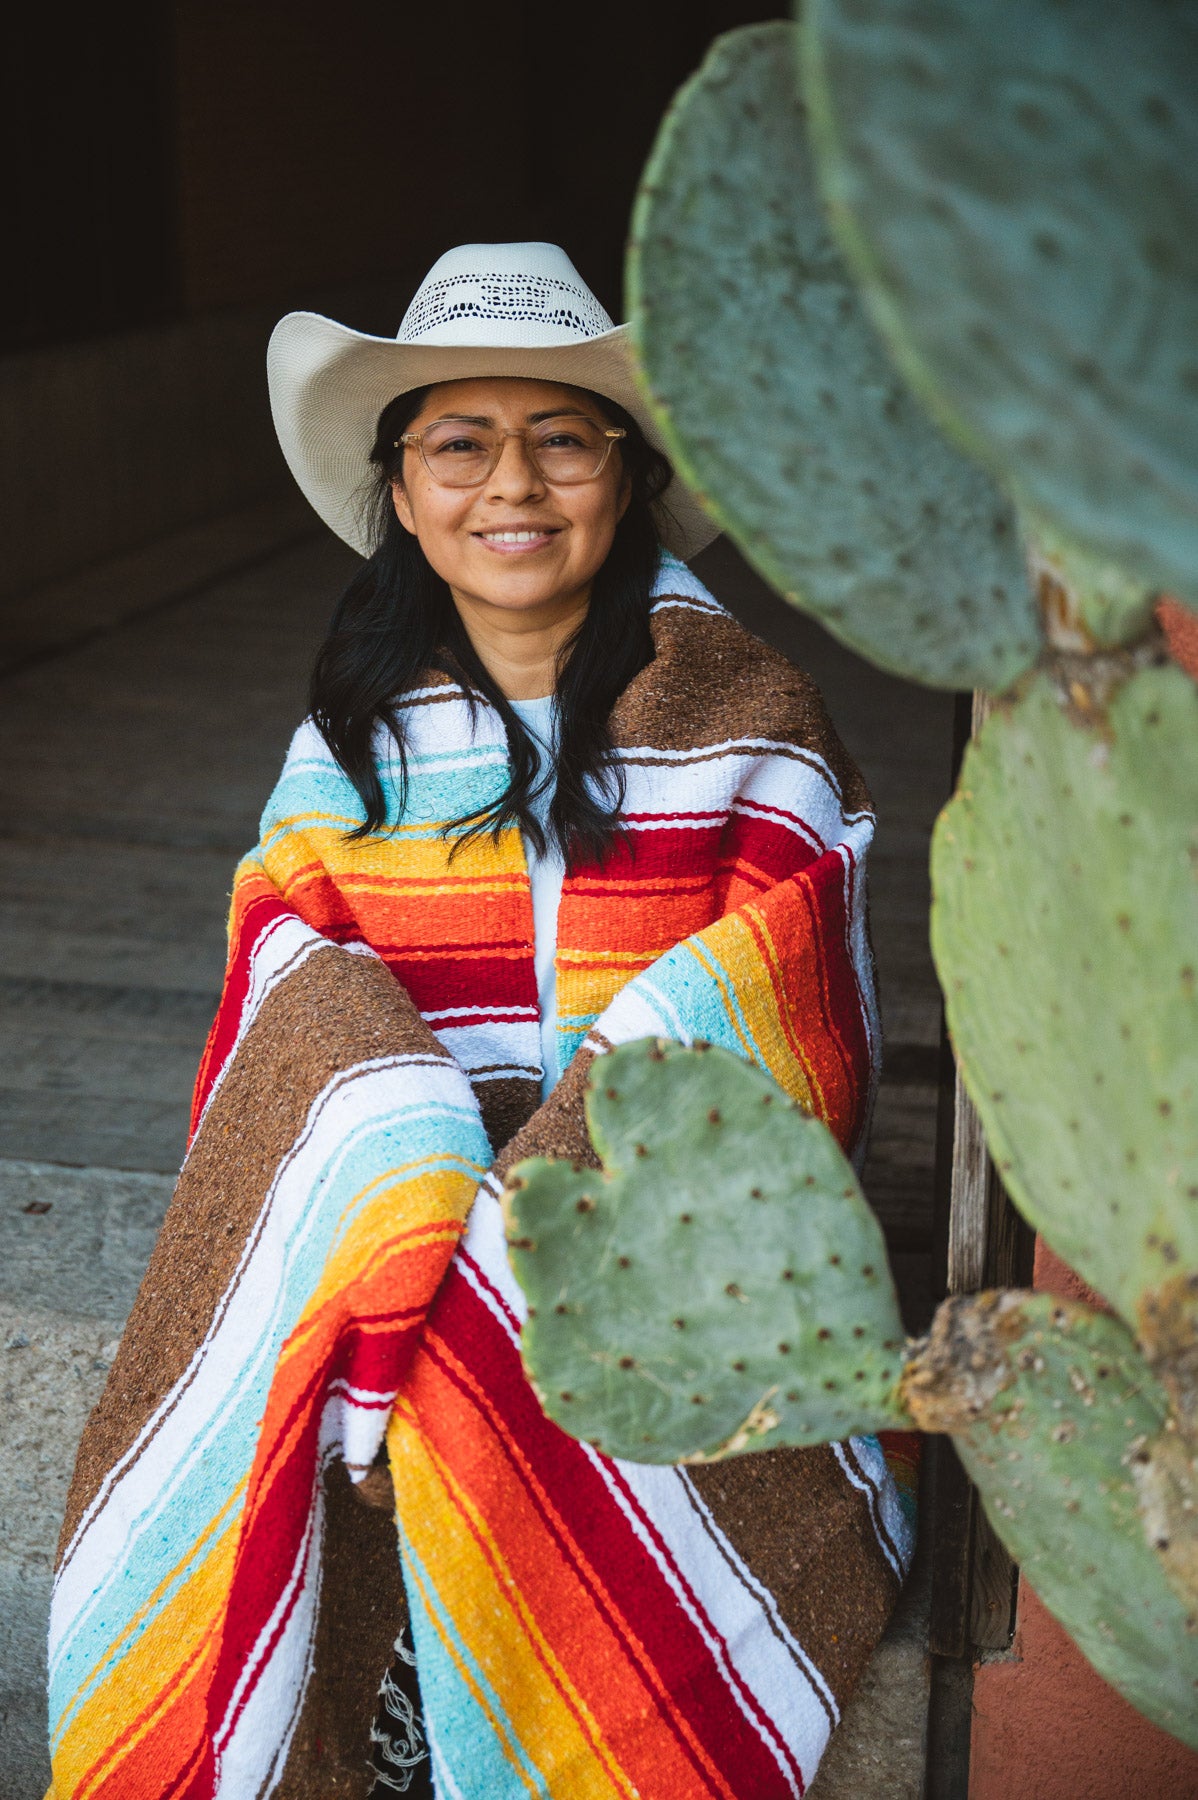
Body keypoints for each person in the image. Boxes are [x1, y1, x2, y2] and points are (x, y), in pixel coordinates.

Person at [48, 244, 916, 1800]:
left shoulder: (748, 725)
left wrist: (513, 1264)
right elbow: (291, 1031)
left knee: (466, 1381)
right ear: (400, 489)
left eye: (562, 437)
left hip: (668, 1276)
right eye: (458, 441)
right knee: (350, 1315)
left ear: (625, 475)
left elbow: (772, 1036)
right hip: (386, 1255)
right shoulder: (350, 754)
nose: (511, 483)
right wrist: (405, 1246)